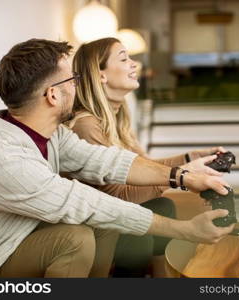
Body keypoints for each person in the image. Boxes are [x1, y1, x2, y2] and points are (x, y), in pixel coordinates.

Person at [0, 38, 234, 278]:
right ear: (52, 95)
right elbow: (89, 204)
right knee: (77, 236)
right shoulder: (7, 162)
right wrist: (187, 230)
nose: (79, 86)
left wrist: (182, 176)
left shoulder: (48, 133)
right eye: (73, 81)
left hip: (10, 240)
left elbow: (108, 161)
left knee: (104, 223)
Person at [68, 37, 227, 277]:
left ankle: (160, 276)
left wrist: (193, 157)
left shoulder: (117, 117)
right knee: (145, 219)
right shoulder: (86, 126)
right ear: (101, 75)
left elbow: (145, 168)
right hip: (95, 227)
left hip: (116, 218)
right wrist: (183, 176)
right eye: (124, 58)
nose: (134, 64)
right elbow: (120, 198)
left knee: (162, 205)